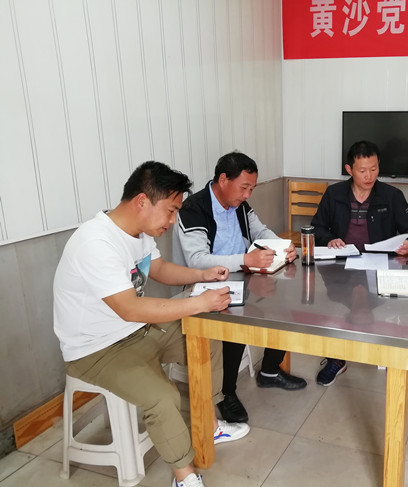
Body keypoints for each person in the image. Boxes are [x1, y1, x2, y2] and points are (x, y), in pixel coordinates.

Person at [53, 161, 250, 487]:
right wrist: (199, 302)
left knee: (206, 336)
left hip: (137, 331)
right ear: (142, 201)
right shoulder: (96, 243)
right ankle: (185, 478)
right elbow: (130, 308)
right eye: (171, 211)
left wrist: (202, 274)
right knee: (163, 397)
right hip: (96, 350)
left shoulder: (139, 233)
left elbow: (159, 269)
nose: (173, 221)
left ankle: (209, 424)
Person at [173, 151, 307, 424]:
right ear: (223, 179)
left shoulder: (239, 205)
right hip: (206, 284)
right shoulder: (194, 208)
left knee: (283, 305)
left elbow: (260, 231)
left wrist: (283, 246)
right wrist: (245, 260)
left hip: (242, 277)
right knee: (235, 322)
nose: (247, 195)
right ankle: (227, 393)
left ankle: (270, 370)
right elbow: (197, 260)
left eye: (251, 189)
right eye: (244, 187)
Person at [310, 140, 408, 386]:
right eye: (362, 170)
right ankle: (337, 359)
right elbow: (317, 227)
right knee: (327, 313)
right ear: (349, 169)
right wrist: (329, 239)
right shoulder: (334, 194)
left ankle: (385, 356)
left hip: (379, 268)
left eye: (374, 169)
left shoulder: (391, 196)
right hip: (340, 266)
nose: (369, 176)